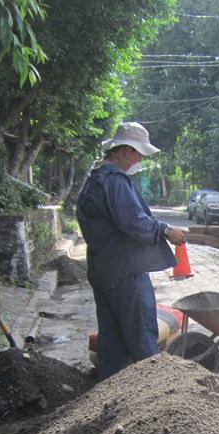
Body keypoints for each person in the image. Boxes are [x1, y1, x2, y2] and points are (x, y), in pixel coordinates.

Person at [76, 121, 188, 380]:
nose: (139, 159)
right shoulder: (114, 181)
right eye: (138, 153)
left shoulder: (94, 179)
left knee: (112, 341)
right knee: (143, 342)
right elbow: (134, 222)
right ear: (125, 151)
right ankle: (153, 399)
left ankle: (113, 396)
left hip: (103, 270)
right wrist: (165, 231)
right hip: (125, 272)